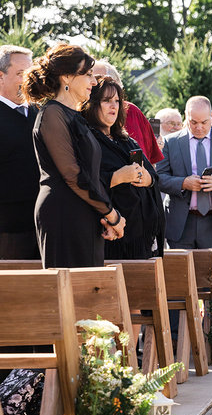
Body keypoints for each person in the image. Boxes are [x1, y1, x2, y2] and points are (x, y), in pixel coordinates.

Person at [22, 44, 125, 267]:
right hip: (63, 214)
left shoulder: (75, 116)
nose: (94, 82)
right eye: (88, 75)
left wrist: (105, 214)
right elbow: (72, 174)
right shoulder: (52, 113)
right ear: (67, 77)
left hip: (85, 213)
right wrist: (112, 214)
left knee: (89, 292)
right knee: (71, 293)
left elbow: (91, 174)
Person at [156, 96, 212, 286]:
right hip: (181, 222)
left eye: (204, 122)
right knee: (177, 285)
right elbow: (159, 178)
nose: (199, 127)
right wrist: (183, 183)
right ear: (185, 117)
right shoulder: (170, 142)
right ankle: (177, 318)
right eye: (193, 122)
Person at [82, 77, 164, 259]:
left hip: (141, 238)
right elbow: (84, 183)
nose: (114, 106)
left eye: (117, 101)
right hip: (112, 237)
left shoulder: (127, 141)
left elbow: (154, 177)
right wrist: (119, 176)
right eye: (106, 101)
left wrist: (145, 178)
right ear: (92, 104)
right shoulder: (87, 140)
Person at [0, 45, 40, 259]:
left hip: (44, 226)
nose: (28, 80)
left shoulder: (41, 113)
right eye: (20, 74)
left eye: (30, 73)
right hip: (8, 231)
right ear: (0, 76)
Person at [92, 60, 163, 165]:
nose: (91, 85)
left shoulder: (131, 111)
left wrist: (148, 178)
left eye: (98, 81)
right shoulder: (80, 117)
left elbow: (150, 163)